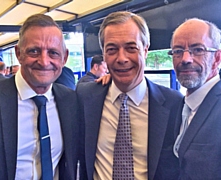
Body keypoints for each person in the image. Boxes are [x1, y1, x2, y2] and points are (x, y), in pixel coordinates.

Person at [76, 11, 183, 180]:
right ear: (103, 54)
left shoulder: (174, 104)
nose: (122, 58)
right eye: (112, 49)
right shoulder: (84, 97)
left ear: (146, 50)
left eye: (131, 48)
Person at [0, 14, 79, 179]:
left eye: (53, 53)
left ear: (65, 58)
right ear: (19, 53)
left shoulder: (70, 100)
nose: (44, 61)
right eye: (34, 51)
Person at [168, 18, 221, 179]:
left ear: (217, 58)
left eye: (198, 49)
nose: (185, 59)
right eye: (178, 51)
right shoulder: (178, 105)